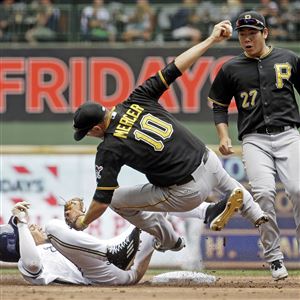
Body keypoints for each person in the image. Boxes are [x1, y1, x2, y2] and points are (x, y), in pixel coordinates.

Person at [69, 20, 268, 254]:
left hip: (186, 192)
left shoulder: (109, 147)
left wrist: (81, 222)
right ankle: (256, 214)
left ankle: (171, 239)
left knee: (119, 201)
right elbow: (176, 67)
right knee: (159, 187)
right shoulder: (137, 97)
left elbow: (102, 199)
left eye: (87, 133)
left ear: (95, 129)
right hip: (208, 160)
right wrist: (211, 39)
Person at [208, 11, 300, 280]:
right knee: (263, 195)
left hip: (288, 134)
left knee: (298, 189)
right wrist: (223, 135)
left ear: (265, 33)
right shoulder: (230, 68)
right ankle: (273, 258)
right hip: (254, 138)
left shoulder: (288, 58)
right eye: (243, 34)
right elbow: (219, 106)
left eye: (252, 33)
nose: (247, 38)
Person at [0, 201, 153, 285]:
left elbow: (83, 253)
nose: (32, 225)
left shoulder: (54, 244)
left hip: (119, 267)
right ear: (18, 241)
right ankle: (111, 252)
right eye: (28, 229)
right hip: (100, 276)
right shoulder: (26, 264)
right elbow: (32, 262)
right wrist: (21, 224)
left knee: (152, 209)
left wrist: (75, 223)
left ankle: (173, 241)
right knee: (52, 225)